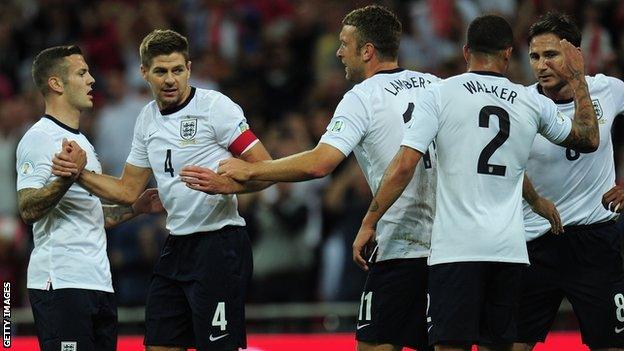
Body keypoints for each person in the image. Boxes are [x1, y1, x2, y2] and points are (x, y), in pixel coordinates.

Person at [186, 5, 439, 351]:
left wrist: (252, 169)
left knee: (374, 344)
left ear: (367, 51)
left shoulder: (362, 97)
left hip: (399, 244)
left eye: (344, 44)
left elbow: (320, 163)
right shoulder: (436, 86)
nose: (338, 52)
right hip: (446, 247)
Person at [353, 15, 599, 351]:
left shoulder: (440, 94)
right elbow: (587, 138)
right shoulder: (529, 101)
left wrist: (370, 222)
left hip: (456, 251)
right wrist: (578, 78)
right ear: (508, 54)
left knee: (449, 346)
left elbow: (403, 166)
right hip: (509, 253)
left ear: (466, 50)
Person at [52, 30, 272, 351]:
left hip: (220, 245)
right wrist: (79, 174)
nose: (170, 80)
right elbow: (128, 190)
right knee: (159, 345)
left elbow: (265, 168)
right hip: (176, 247)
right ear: (144, 73)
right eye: (160, 71)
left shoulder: (216, 107)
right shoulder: (147, 119)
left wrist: (226, 184)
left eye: (177, 70)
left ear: (189, 68)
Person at [16, 45, 163, 351]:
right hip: (61, 282)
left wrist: (135, 209)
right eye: (82, 73)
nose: (92, 80)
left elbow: (92, 216)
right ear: (56, 83)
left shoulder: (82, 142)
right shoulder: (38, 138)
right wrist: (65, 179)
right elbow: (27, 209)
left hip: (98, 282)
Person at [514, 12, 624, 351]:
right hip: (533, 242)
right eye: (535, 56)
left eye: (551, 54)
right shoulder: (520, 104)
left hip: (596, 243)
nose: (542, 65)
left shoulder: (609, 90)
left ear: (575, 53)